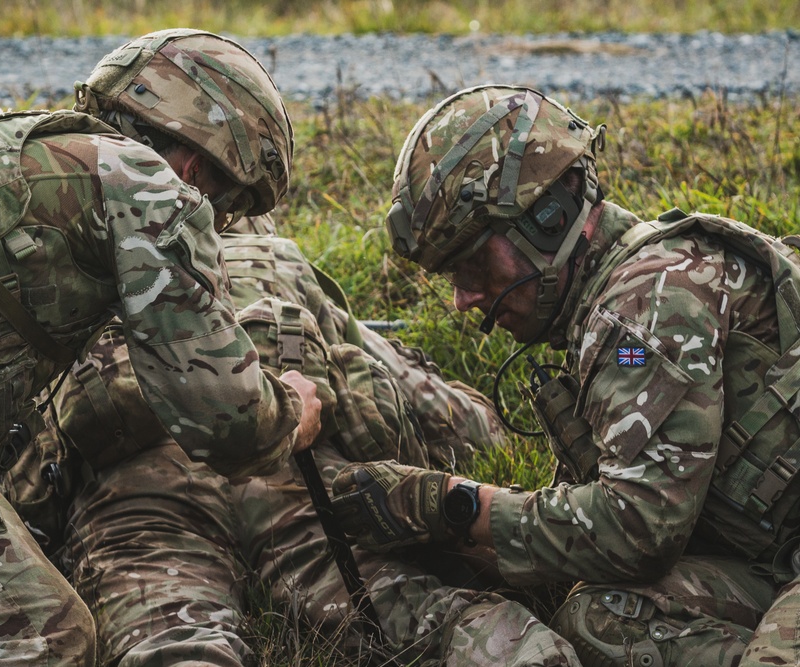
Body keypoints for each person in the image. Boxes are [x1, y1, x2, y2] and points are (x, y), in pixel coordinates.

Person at [46, 40, 580, 667]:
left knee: (171, 641)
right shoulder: (279, 264)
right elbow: (449, 419)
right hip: (297, 486)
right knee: (448, 622)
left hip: (140, 496)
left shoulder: (59, 265)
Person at [0, 27, 320, 665]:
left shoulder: (11, 153)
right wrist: (289, 412)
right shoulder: (146, 182)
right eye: (228, 208)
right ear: (201, 165)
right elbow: (223, 417)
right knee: (40, 637)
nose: (220, 223)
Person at [328, 83, 800, 666]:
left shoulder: (645, 307)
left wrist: (452, 505)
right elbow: (586, 526)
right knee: (601, 620)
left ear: (548, 219)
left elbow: (638, 530)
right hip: (774, 551)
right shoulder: (609, 308)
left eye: (471, 262)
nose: (462, 299)